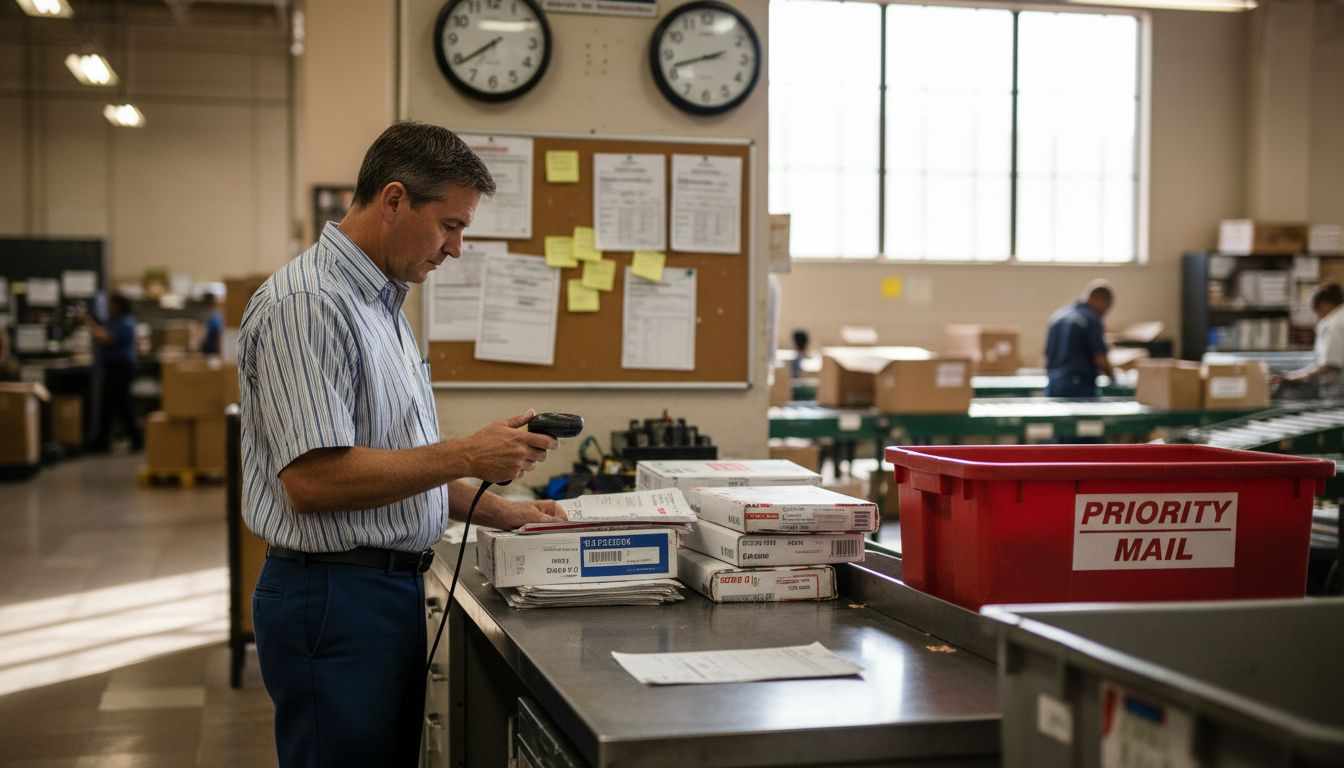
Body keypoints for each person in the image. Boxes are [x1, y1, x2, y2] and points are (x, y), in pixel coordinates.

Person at [238, 122, 567, 768]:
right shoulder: (309, 304)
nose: (457, 248)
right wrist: (470, 453)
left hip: (381, 593)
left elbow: (393, 461)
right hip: (333, 597)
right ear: (393, 201)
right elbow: (315, 482)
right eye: (450, 225)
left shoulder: (382, 302)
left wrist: (504, 512)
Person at [86, 293, 142, 451]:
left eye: (111, 304)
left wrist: (89, 325)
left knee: (122, 404)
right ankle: (103, 441)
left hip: (121, 367)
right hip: (112, 367)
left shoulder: (126, 322)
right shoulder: (113, 321)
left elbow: (106, 338)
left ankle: (137, 439)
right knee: (108, 404)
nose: (108, 307)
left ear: (119, 306)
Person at [1044, 280, 1115, 398]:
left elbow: (1047, 358)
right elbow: (1100, 358)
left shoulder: (1058, 316)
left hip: (1054, 385)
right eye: (1107, 307)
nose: (1105, 313)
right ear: (1100, 299)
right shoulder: (1090, 318)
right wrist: (1113, 378)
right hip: (1079, 387)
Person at [1276, 283, 1344, 399]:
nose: (1318, 317)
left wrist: (1294, 377)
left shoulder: (1334, 324)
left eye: (1317, 311)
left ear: (1325, 304)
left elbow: (1331, 365)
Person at [199, 291, 223, 356]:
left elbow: (218, 334)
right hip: (207, 347)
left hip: (212, 349)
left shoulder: (215, 316)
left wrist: (219, 350)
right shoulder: (205, 314)